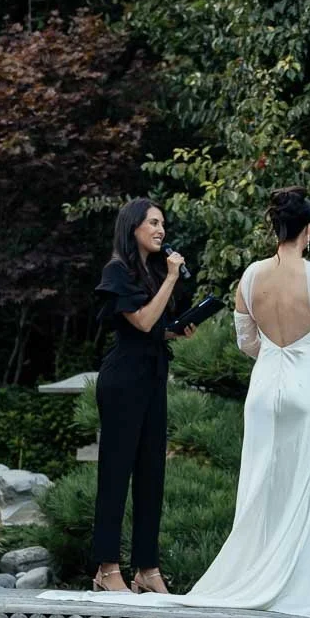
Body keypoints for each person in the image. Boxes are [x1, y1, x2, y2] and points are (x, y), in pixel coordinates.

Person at [136, 187, 310, 618]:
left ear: (275, 229)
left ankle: (251, 575)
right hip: (307, 389)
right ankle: (293, 595)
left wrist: (273, 357)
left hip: (264, 387)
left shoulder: (250, 276)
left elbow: (246, 341)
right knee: (303, 490)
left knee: (257, 486)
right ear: (308, 231)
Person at [90, 197, 189, 595]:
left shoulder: (148, 273)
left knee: (152, 475)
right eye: (152, 223)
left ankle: (146, 568)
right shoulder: (118, 271)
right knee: (116, 472)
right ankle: (107, 566)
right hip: (123, 380)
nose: (160, 230)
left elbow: (154, 327)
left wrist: (178, 328)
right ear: (132, 227)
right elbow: (143, 320)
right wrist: (170, 279)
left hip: (152, 377)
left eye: (163, 223)